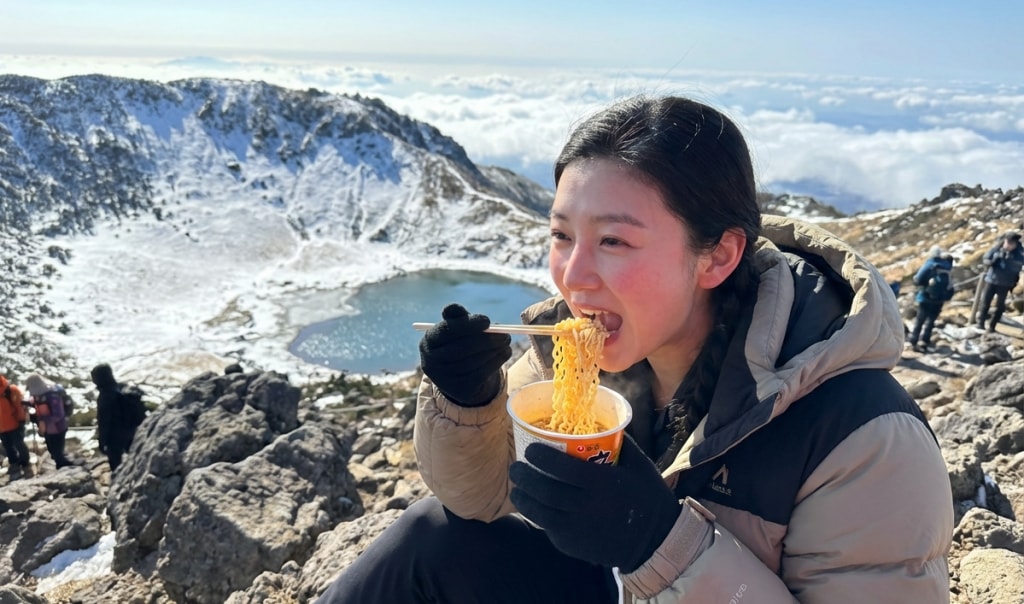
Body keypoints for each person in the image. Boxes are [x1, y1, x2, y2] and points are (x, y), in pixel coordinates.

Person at [316, 96, 953, 603]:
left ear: (717, 256)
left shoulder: (864, 434)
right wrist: (468, 405)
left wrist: (659, 544)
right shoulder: (593, 359)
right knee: (431, 539)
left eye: (614, 242)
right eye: (562, 235)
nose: (574, 275)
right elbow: (481, 498)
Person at [91, 363, 147, 472]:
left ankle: (118, 481)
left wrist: (102, 442)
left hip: (114, 437)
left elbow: (104, 422)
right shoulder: (123, 387)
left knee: (115, 463)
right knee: (134, 458)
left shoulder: (105, 396)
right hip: (132, 430)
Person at [908, 245, 955, 352]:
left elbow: (918, 279)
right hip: (939, 299)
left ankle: (914, 341)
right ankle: (925, 341)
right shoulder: (947, 265)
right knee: (931, 321)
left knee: (920, 320)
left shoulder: (930, 264)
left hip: (926, 297)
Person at [976, 231, 1024, 332]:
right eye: (1007, 242)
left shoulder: (1019, 253)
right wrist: (993, 260)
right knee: (985, 302)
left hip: (1005, 283)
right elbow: (986, 257)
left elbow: (1017, 266)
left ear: (1015, 244)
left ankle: (992, 326)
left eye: (1011, 243)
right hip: (991, 280)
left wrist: (1008, 260)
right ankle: (980, 323)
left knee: (1000, 306)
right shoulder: (997, 248)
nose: (1007, 245)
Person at [24, 374, 73, 469]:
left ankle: (63, 466)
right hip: (47, 429)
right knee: (52, 449)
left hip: (58, 428)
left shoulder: (53, 396)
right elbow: (33, 402)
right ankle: (61, 464)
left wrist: (42, 420)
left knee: (57, 450)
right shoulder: (38, 395)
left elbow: (58, 415)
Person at [0, 374, 32, 479]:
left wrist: (21, 421)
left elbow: (19, 407)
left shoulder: (11, 390)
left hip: (15, 424)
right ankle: (14, 463)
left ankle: (25, 464)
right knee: (8, 446)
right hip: (3, 427)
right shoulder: (10, 390)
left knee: (19, 444)